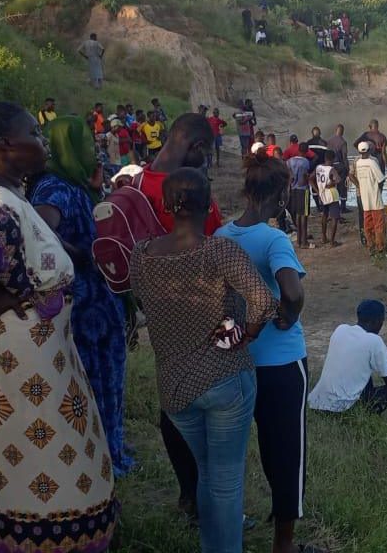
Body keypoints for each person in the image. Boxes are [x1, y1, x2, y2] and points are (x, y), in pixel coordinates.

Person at [0, 102, 119, 551]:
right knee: (55, 468)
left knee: (16, 466)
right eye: (34, 134)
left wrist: (7, 275)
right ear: (4, 146)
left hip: (15, 355)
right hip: (26, 365)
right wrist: (12, 292)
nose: (42, 142)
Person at [130, 168, 276, 553]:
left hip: (175, 390)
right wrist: (246, 334)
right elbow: (264, 302)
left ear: (164, 204)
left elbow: (144, 304)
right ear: (209, 204)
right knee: (225, 481)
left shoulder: (141, 255)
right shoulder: (220, 250)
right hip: (226, 378)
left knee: (208, 474)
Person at [216, 156, 313, 553]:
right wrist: (286, 316)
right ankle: (284, 543)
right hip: (282, 363)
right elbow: (292, 292)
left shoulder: (221, 235)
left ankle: (228, 531)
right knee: (286, 453)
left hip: (237, 361)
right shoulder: (273, 239)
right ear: (279, 194)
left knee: (233, 452)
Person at [29, 116, 135, 475]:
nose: (93, 148)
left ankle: (109, 447)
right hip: (81, 300)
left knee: (108, 375)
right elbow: (39, 233)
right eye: (84, 142)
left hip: (99, 297)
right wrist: (80, 255)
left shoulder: (75, 182)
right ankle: (96, 457)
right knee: (91, 377)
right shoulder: (53, 188)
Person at [132, 114, 223, 518]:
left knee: (172, 404)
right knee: (211, 415)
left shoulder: (133, 187)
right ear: (197, 148)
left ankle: (188, 493)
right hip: (203, 315)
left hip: (160, 317)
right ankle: (207, 499)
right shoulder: (197, 193)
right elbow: (217, 250)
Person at [307, 301, 387, 419]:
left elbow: (356, 355)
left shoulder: (341, 330)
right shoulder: (375, 341)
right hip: (345, 410)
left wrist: (386, 358)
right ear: (376, 321)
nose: (381, 324)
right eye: (382, 321)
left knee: (365, 379)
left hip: (318, 405)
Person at [349, 141, 386, 253]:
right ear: (369, 150)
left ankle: (370, 244)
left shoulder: (358, 162)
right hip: (374, 197)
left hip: (364, 197)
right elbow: (381, 179)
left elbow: (351, 175)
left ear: (359, 151)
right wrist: (378, 190)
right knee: (378, 223)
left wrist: (360, 186)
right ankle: (380, 246)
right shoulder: (372, 162)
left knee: (367, 223)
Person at [311, 149, 344, 248]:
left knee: (324, 215)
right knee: (334, 217)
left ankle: (324, 237)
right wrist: (332, 183)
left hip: (322, 194)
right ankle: (332, 241)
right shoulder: (331, 169)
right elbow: (338, 179)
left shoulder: (318, 167)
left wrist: (317, 191)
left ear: (325, 158)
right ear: (333, 159)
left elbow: (310, 179)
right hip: (332, 194)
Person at [285, 146, 313, 249]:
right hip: (303, 190)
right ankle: (304, 242)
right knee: (304, 216)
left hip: (294, 190)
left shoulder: (290, 161)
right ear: (305, 152)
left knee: (297, 214)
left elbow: (288, 171)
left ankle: (298, 240)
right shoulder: (305, 162)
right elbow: (306, 176)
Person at [324, 124, 350, 210]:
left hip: (330, 166)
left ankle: (333, 205)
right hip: (340, 166)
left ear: (336, 130)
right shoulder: (343, 142)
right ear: (342, 132)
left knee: (332, 185)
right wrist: (347, 169)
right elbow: (345, 157)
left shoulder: (329, 141)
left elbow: (327, 155)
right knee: (342, 186)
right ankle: (343, 207)